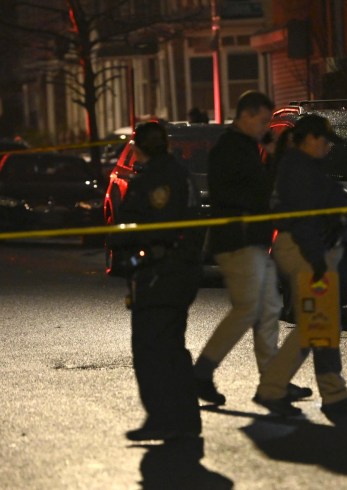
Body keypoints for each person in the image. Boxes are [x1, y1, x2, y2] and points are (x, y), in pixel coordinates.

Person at [192, 91, 311, 405]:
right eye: (261, 121)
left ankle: (273, 382)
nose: (264, 127)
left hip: (250, 240)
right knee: (250, 309)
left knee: (268, 309)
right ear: (245, 116)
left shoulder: (242, 147)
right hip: (239, 241)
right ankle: (202, 374)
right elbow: (257, 193)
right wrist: (273, 158)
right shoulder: (232, 150)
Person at [253, 114, 347, 420]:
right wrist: (317, 260)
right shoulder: (300, 169)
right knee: (314, 325)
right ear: (312, 139)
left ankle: (334, 393)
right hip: (305, 251)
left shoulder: (301, 166)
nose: (329, 147)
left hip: (306, 248)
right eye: (326, 141)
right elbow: (305, 219)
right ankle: (275, 388)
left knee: (323, 323)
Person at [109, 121, 204, 441]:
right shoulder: (181, 174)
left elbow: (130, 226)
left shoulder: (151, 181)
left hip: (158, 273)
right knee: (173, 348)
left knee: (150, 348)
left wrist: (123, 255)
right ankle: (185, 418)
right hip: (182, 272)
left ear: (137, 148)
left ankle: (163, 417)